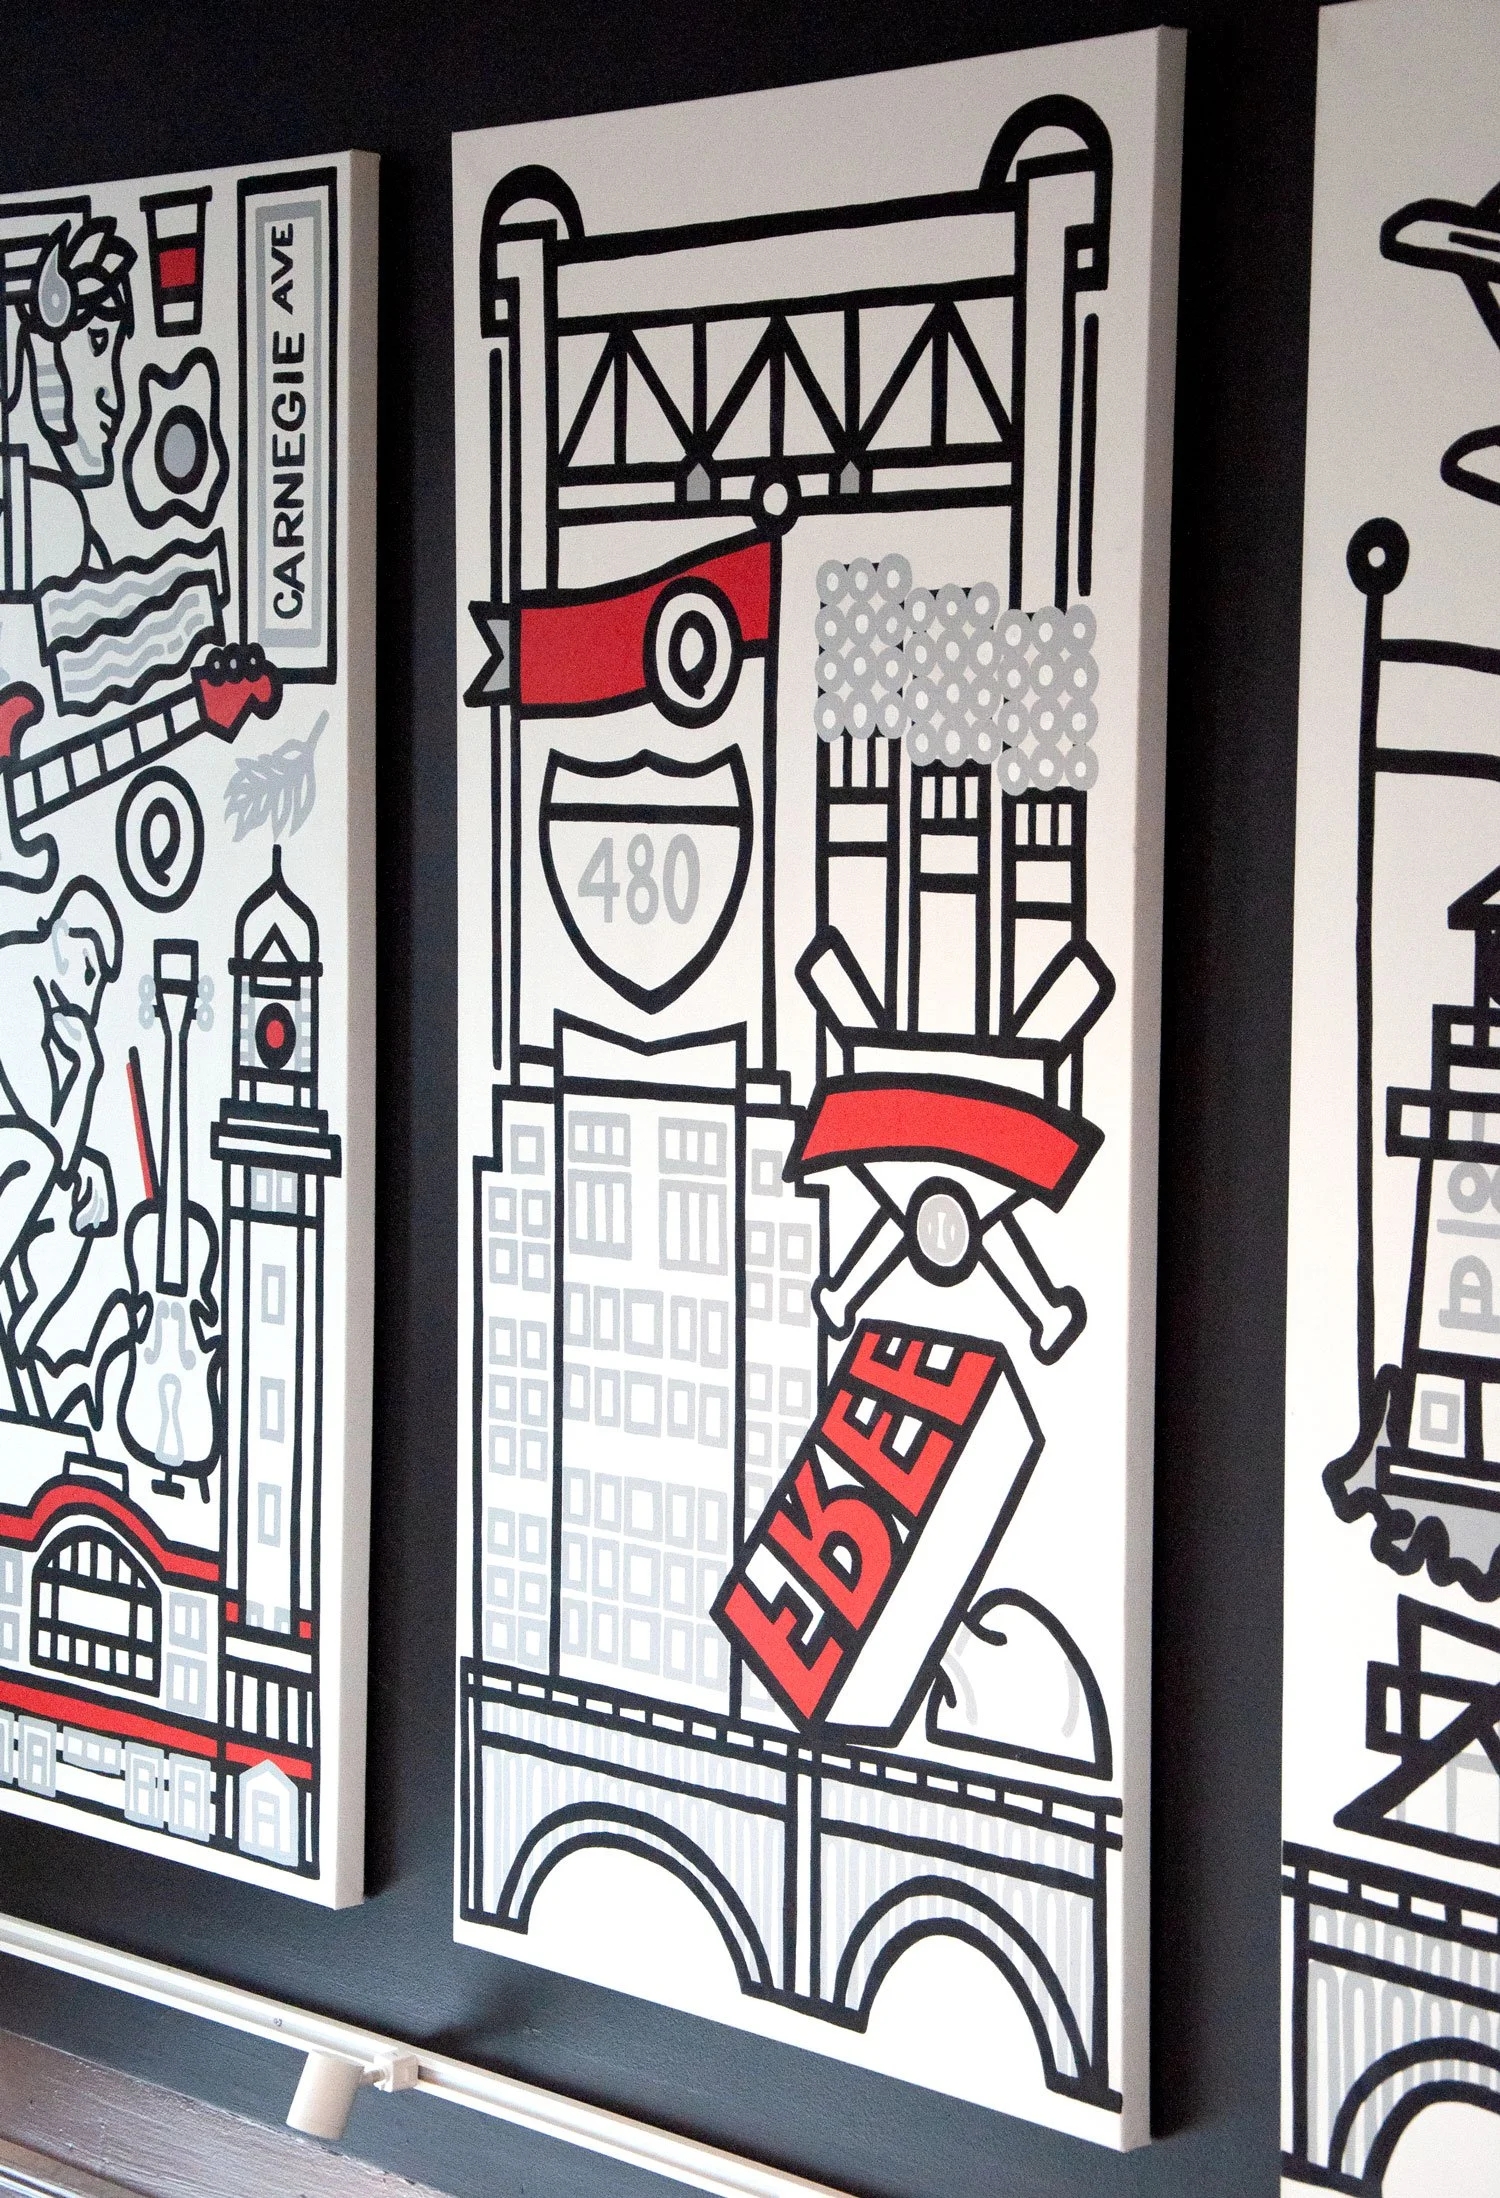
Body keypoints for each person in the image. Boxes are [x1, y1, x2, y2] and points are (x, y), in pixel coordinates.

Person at [0, 878, 123, 1385]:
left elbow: (62, 1153)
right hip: (21, 1154)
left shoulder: (48, 1007)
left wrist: (83, 1169)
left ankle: (21, 1337)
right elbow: (48, 1142)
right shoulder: (15, 983)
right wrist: (89, 1068)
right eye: (90, 972)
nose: (92, 999)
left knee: (92, 1194)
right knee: (40, 1158)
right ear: (62, 937)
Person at [10, 216, 136, 582]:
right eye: (96, 343)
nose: (115, 399)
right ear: (43, 350)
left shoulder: (78, 535)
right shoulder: (55, 514)